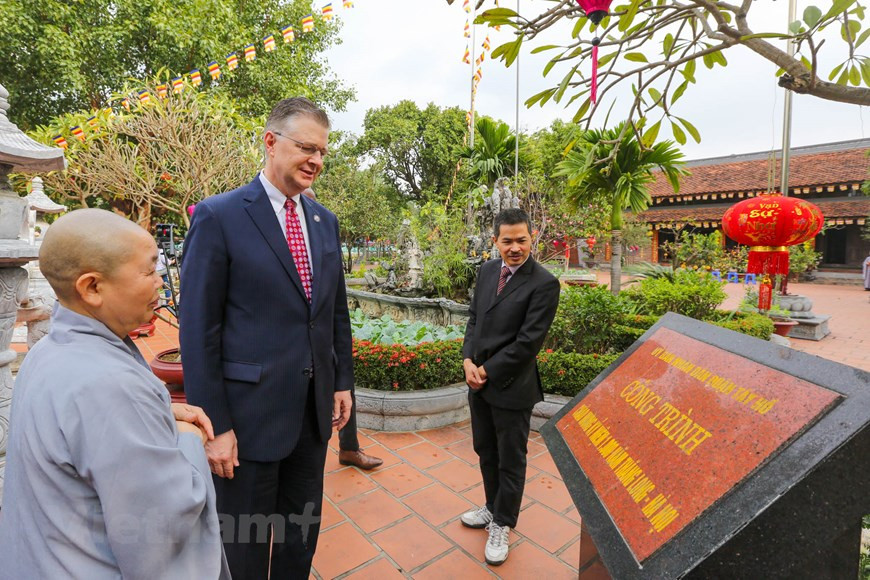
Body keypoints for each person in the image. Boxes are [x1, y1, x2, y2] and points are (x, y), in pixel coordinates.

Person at [0, 209, 228, 579]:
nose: (161, 284)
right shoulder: (108, 384)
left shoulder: (49, 351)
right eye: (150, 270)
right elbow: (161, 526)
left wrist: (159, 413)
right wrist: (188, 436)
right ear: (92, 288)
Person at [180, 97, 355, 579]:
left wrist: (341, 382)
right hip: (248, 420)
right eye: (306, 147)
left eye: (322, 151)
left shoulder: (324, 221)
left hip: (312, 415)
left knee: (301, 538)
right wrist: (216, 426)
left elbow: (333, 311)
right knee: (246, 547)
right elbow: (197, 329)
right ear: (271, 141)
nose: (316, 160)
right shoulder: (220, 215)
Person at [459, 208, 561, 566]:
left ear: (532, 239)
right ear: (495, 241)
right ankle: (491, 507)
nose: (515, 248)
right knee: (485, 449)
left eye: (521, 240)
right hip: (478, 381)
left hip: (512, 386)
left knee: (511, 458)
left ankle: (503, 522)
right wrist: (468, 360)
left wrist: (486, 369)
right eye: (507, 241)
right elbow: (473, 319)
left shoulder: (544, 283)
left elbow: (527, 343)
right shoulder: (488, 270)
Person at [301, 187, 382, 470]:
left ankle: (349, 448)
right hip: (295, 345)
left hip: (325, 335)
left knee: (344, 388)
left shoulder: (323, 227)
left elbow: (336, 298)